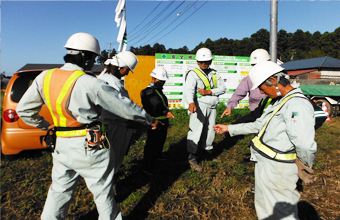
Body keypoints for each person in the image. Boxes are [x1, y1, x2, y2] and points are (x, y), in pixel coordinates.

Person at [16, 32, 158, 220]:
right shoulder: (90, 83)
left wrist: (46, 126)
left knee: (59, 191)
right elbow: (124, 107)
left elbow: (24, 110)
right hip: (89, 145)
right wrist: (149, 119)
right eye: (93, 57)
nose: (93, 62)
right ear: (85, 56)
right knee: (103, 193)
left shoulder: (45, 77)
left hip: (61, 144)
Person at [213, 61, 317, 219]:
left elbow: (305, 144)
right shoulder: (281, 101)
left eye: (262, 87)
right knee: (267, 210)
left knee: (282, 214)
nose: (261, 92)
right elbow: (259, 125)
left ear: (273, 80)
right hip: (267, 165)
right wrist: (229, 128)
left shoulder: (297, 104)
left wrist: (304, 165)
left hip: (278, 170)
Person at [98, 51, 140, 175]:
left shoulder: (102, 77)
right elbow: (124, 107)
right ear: (121, 68)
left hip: (104, 124)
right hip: (113, 125)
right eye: (127, 70)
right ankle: (110, 183)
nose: (127, 73)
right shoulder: (114, 83)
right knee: (113, 157)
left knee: (105, 157)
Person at [184, 47, 226, 171]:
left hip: (213, 105)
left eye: (206, 61)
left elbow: (223, 88)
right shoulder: (193, 74)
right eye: (201, 62)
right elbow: (189, 90)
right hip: (200, 106)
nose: (204, 64)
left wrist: (208, 91)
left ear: (211, 61)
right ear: (197, 61)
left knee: (210, 131)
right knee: (196, 131)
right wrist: (191, 103)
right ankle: (192, 157)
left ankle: (208, 154)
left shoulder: (214, 73)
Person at [140, 67, 174, 175]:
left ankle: (158, 155)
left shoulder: (158, 91)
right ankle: (147, 166)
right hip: (154, 122)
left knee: (160, 140)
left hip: (163, 121)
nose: (162, 83)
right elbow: (156, 104)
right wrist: (165, 112)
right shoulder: (148, 91)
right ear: (153, 78)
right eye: (161, 81)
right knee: (151, 143)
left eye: (163, 81)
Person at [221, 48, 269, 118]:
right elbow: (238, 94)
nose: (256, 67)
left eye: (259, 64)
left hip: (273, 116)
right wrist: (230, 107)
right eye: (254, 65)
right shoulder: (248, 80)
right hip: (256, 116)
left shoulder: (276, 78)